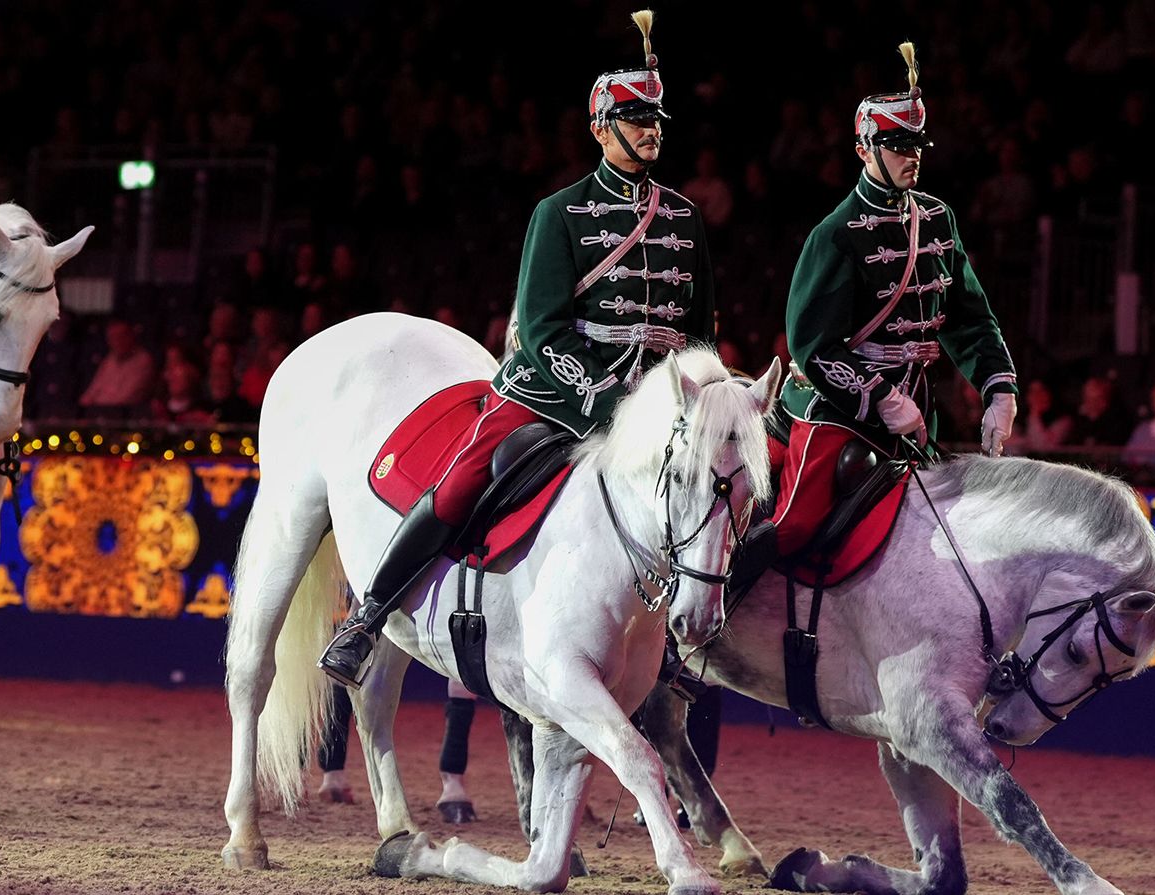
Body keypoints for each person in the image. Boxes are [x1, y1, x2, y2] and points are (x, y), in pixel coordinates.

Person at [318, 11, 715, 687]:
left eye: (656, 121)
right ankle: (370, 610)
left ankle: (692, 638)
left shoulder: (684, 217)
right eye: (635, 120)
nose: (650, 132)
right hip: (556, 394)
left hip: (658, 410)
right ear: (600, 128)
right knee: (472, 471)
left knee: (724, 489)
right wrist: (611, 403)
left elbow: (700, 329)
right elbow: (541, 330)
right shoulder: (559, 213)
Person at [763, 42, 1018, 557]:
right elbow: (811, 347)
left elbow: (969, 317)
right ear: (864, 149)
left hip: (917, 407)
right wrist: (880, 396)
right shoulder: (836, 234)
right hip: (838, 408)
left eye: (917, 146)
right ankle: (712, 630)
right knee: (795, 530)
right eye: (897, 146)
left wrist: (999, 388)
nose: (912, 156)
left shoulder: (938, 218)